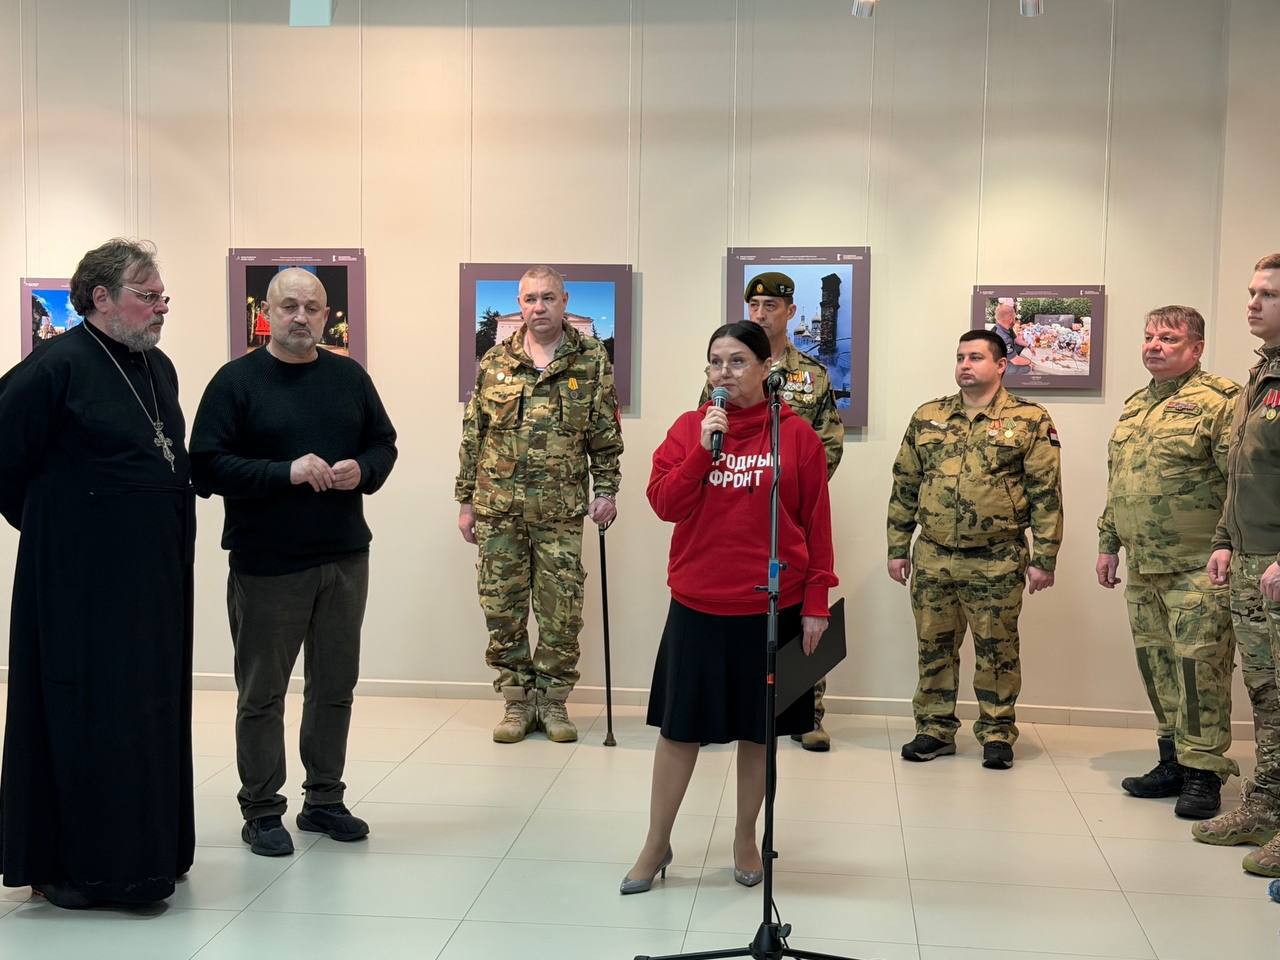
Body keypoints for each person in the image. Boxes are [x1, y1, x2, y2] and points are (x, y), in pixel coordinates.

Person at [0, 239, 194, 908]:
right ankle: (79, 868)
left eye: (162, 294)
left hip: (154, 586)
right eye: (148, 294)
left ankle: (150, 855)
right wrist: (63, 529)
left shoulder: (156, 367)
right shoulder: (53, 367)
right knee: (88, 714)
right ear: (101, 298)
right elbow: (6, 464)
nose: (161, 305)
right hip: (77, 591)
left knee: (147, 713)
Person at [190, 267, 397, 858]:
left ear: (327, 314)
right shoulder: (236, 382)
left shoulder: (349, 377)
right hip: (268, 563)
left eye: (312, 307)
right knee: (263, 693)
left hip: (344, 557)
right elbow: (204, 465)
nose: (301, 317)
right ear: (267, 313)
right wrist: (284, 472)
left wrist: (367, 469)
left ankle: (324, 800)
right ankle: (261, 809)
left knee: (335, 687)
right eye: (288, 306)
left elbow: (384, 443)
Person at [623, 321, 836, 895]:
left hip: (772, 604)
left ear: (767, 369)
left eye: (738, 361)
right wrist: (700, 453)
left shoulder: (796, 438)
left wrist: (817, 601)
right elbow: (665, 504)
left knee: (758, 729)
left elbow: (816, 523)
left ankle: (746, 836)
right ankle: (656, 841)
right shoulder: (689, 429)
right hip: (699, 601)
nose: (724, 373)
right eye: (715, 362)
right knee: (679, 729)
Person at [456, 265, 623, 745]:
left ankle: (552, 701)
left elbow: (605, 437)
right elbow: (474, 435)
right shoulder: (494, 361)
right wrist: (465, 501)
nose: (539, 307)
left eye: (548, 297)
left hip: (561, 513)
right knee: (502, 608)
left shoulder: (590, 358)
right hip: (497, 509)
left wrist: (606, 491)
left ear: (565, 301)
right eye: (530, 299)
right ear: (520, 303)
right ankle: (515, 700)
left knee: (561, 611)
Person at [887, 329, 1062, 769]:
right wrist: (897, 546)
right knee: (933, 645)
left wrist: (1045, 558)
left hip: (997, 557)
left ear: (1001, 366)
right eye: (961, 357)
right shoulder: (928, 416)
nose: (966, 365)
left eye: (977, 358)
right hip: (933, 553)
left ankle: (997, 732)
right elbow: (905, 484)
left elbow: (1046, 492)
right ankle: (933, 728)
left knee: (997, 649)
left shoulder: (1029, 418)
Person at [1096, 305, 1239, 819]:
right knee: (1157, 666)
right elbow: (1121, 484)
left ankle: (1204, 772)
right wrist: (1108, 542)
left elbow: (1238, 485)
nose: (1155, 345)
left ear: (1196, 348)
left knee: (1200, 668)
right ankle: (1172, 760)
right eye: (1149, 336)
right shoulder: (1136, 407)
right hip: (1144, 565)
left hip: (1199, 565)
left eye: (1169, 338)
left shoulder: (1222, 402)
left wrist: (1227, 543)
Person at [700, 271, 844, 751]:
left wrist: (793, 483)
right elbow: (709, 433)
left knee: (800, 611)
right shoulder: (723, 373)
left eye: (770, 306)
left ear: (790, 312)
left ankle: (807, 710)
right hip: (734, 508)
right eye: (754, 305)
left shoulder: (814, 374)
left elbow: (828, 443)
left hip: (791, 509)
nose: (760, 313)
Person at [1195, 253, 1280, 877]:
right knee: (1267, 692)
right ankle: (1267, 805)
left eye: (1267, 295)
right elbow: (1242, 471)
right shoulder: (1263, 374)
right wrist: (1225, 538)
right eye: (1251, 291)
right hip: (1252, 558)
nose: (1251, 303)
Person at [992, 301, 1032, 368]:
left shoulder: (1006, 327)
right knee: (1027, 368)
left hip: (1005, 352)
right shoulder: (1003, 336)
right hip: (997, 362)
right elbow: (1016, 361)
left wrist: (1029, 345)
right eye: (1014, 318)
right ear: (1010, 320)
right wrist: (1030, 362)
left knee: (1020, 345)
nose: (1015, 320)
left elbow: (1016, 340)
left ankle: (1013, 355)